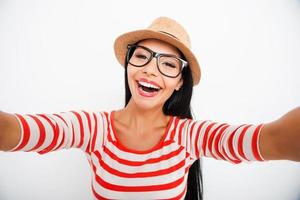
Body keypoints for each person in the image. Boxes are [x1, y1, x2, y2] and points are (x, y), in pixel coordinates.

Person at [0, 17, 299, 200]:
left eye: (168, 64)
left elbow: (270, 139)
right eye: (141, 56)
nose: (151, 71)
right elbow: (15, 131)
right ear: (128, 64)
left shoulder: (189, 135)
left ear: (180, 82)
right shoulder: (92, 127)